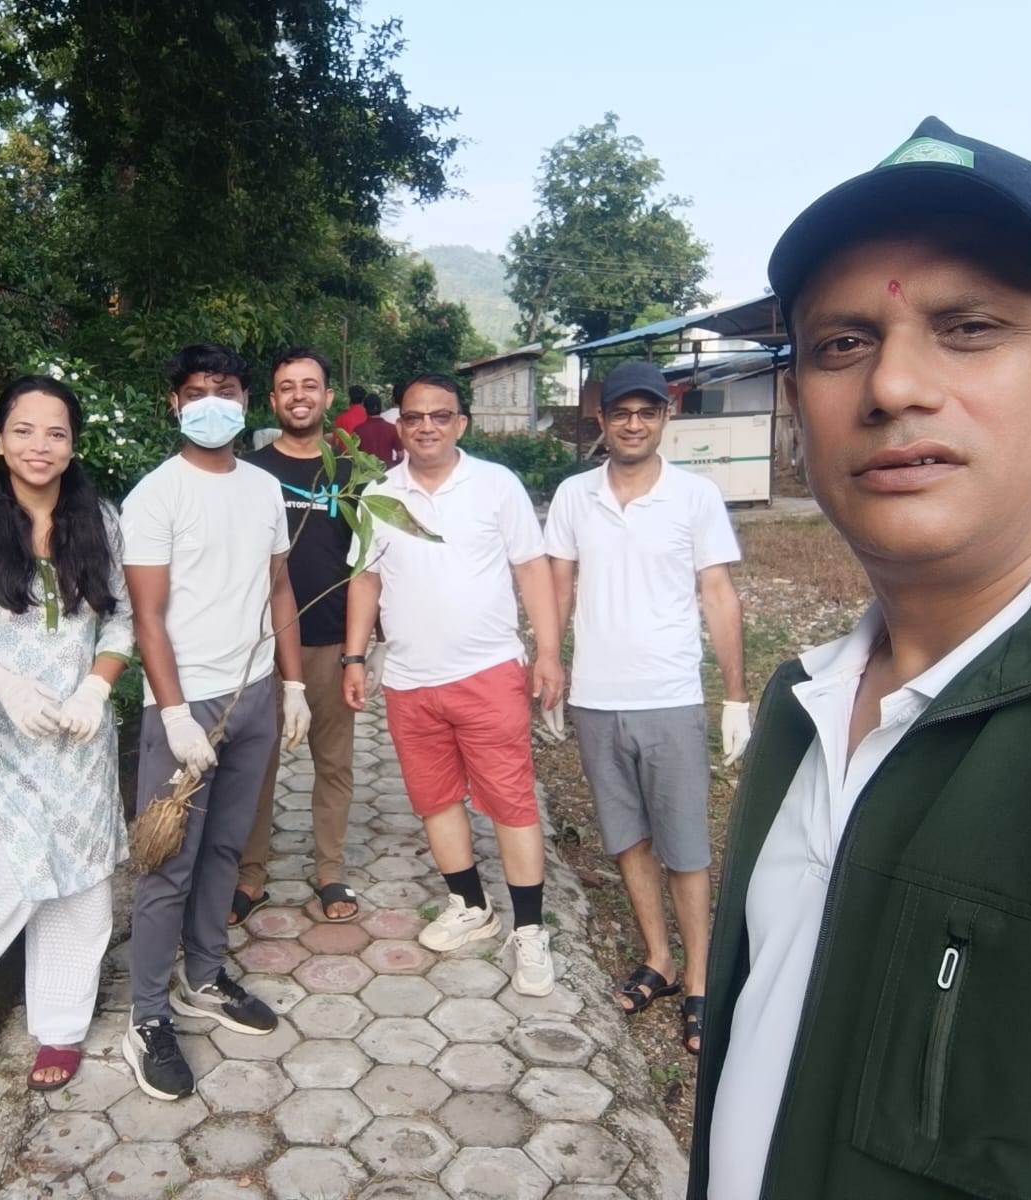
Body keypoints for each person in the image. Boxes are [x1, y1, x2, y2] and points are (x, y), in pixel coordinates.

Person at [690, 117, 1031, 1200]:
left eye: (968, 328)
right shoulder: (806, 702)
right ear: (798, 404)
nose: (892, 388)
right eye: (842, 344)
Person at [0, 375, 132, 1092]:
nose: (39, 445)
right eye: (23, 430)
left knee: (82, 880)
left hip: (78, 735)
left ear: (73, 447)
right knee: (10, 866)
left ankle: (61, 1027)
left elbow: (122, 615)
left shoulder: (101, 521)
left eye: (56, 433)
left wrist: (97, 687)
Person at [120, 343, 310, 1101]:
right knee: (167, 862)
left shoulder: (263, 488)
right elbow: (147, 614)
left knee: (226, 848)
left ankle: (203, 976)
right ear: (174, 403)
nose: (210, 403)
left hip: (254, 693)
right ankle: (146, 1017)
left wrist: (292, 684)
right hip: (186, 704)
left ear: (244, 401)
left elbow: (279, 588)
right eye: (195, 391)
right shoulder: (155, 495)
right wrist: (173, 712)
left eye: (224, 390)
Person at [542, 360, 748, 1056]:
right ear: (600, 420)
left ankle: (699, 978)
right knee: (626, 837)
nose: (634, 424)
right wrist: (548, 662)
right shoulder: (574, 496)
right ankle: (658, 958)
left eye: (647, 412)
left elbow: (717, 593)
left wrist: (736, 696)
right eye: (621, 413)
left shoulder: (694, 496)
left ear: (665, 418)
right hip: (597, 698)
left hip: (669, 696)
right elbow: (559, 585)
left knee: (685, 846)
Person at [342, 372, 564, 996]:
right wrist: (354, 658)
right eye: (414, 417)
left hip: (487, 673)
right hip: (410, 680)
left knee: (511, 802)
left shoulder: (495, 485)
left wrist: (548, 653)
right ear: (400, 426)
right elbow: (365, 579)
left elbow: (531, 568)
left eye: (440, 416)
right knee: (434, 799)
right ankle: (470, 905)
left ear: (461, 423)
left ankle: (530, 930)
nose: (427, 427)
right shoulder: (380, 494)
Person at [232, 348, 361, 927]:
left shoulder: (352, 475)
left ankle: (330, 871)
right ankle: (249, 875)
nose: (299, 396)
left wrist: (360, 651)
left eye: (310, 385)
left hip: (331, 642)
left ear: (328, 396)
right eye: (287, 387)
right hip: (262, 646)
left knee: (333, 764)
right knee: (257, 766)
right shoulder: (249, 473)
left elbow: (367, 564)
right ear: (273, 400)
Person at [353, 392, 403, 467]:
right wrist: (393, 465)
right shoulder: (391, 428)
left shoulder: (358, 430)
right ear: (381, 407)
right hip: (387, 470)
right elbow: (401, 455)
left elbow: (354, 456)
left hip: (367, 471)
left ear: (365, 409)